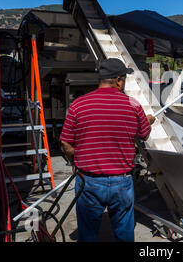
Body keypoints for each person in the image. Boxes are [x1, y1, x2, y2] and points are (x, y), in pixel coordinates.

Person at [60, 58, 155, 242]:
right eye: (124, 80)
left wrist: (74, 162)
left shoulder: (78, 105)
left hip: (88, 180)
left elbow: (66, 143)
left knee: (87, 234)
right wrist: (148, 121)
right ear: (118, 80)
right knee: (124, 234)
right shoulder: (133, 105)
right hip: (121, 182)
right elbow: (144, 135)